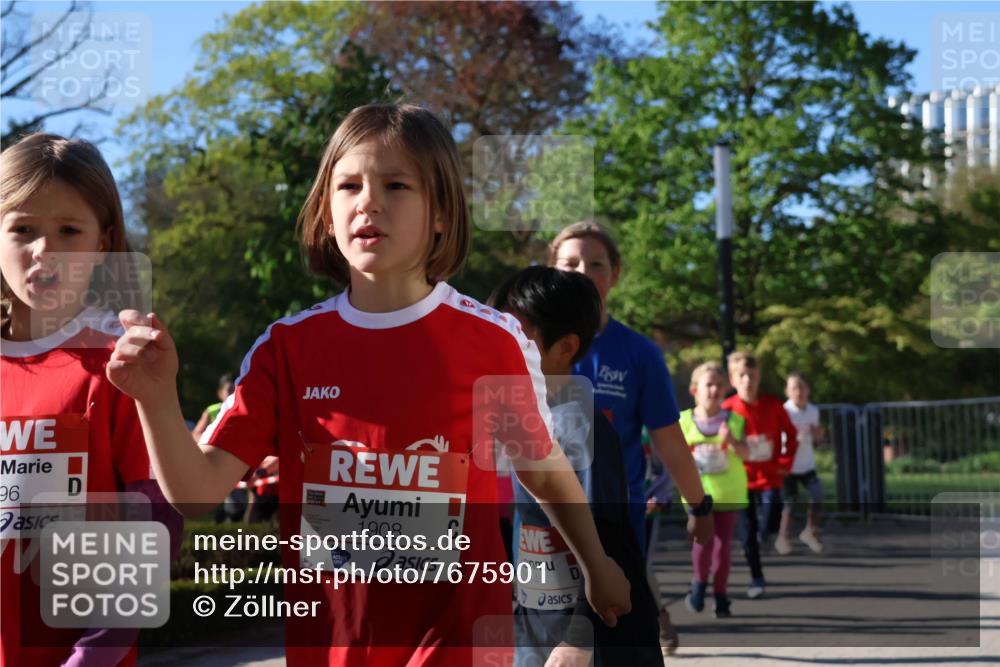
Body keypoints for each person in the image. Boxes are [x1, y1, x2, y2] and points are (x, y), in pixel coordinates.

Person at [105, 103, 631, 666]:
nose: (369, 202)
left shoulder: (494, 341)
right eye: (349, 185)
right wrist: (156, 399)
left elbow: (545, 471)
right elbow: (199, 494)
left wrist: (597, 565)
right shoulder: (287, 348)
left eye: (397, 185)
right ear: (326, 215)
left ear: (441, 214)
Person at [0, 133, 182, 667]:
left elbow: (154, 521)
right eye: (23, 229)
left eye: (68, 230)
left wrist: (92, 656)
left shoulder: (121, 363)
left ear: (103, 242)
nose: (43, 250)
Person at [549, 222, 709, 654]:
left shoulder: (638, 353)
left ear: (615, 274)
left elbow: (669, 439)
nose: (582, 272)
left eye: (595, 264)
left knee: (609, 643)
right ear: (552, 269)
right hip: (540, 532)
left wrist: (698, 504)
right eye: (570, 263)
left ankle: (652, 619)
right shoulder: (522, 343)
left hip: (614, 526)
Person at [490, 266, 661, 666]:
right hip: (536, 631)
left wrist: (578, 640)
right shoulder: (517, 422)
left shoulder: (578, 426)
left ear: (564, 347)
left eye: (515, 332)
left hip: (593, 638)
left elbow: (608, 537)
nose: (497, 342)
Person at [721, 351, 798, 599]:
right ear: (733, 380)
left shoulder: (773, 405)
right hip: (740, 478)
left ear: (758, 377)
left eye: (751, 375)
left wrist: (786, 461)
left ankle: (763, 536)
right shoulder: (727, 409)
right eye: (741, 376)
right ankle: (757, 577)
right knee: (747, 532)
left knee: (770, 519)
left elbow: (791, 434)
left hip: (769, 476)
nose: (747, 381)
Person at [679, 362, 749, 619]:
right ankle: (698, 585)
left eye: (720, 385)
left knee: (722, 547)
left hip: (728, 493)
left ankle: (720, 595)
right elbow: (675, 456)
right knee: (702, 542)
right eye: (709, 384)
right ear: (695, 389)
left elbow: (747, 452)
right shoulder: (684, 420)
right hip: (697, 494)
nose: (714, 390)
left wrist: (731, 440)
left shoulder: (735, 421)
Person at [775, 372, 825, 554]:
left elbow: (818, 439)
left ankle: (810, 530)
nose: (799, 392)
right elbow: (776, 438)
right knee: (790, 501)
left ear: (808, 390)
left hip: (806, 464)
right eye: (794, 387)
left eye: (802, 387)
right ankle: (783, 537)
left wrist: (818, 433)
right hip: (788, 465)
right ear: (787, 391)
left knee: (818, 494)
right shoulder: (784, 411)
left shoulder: (813, 411)